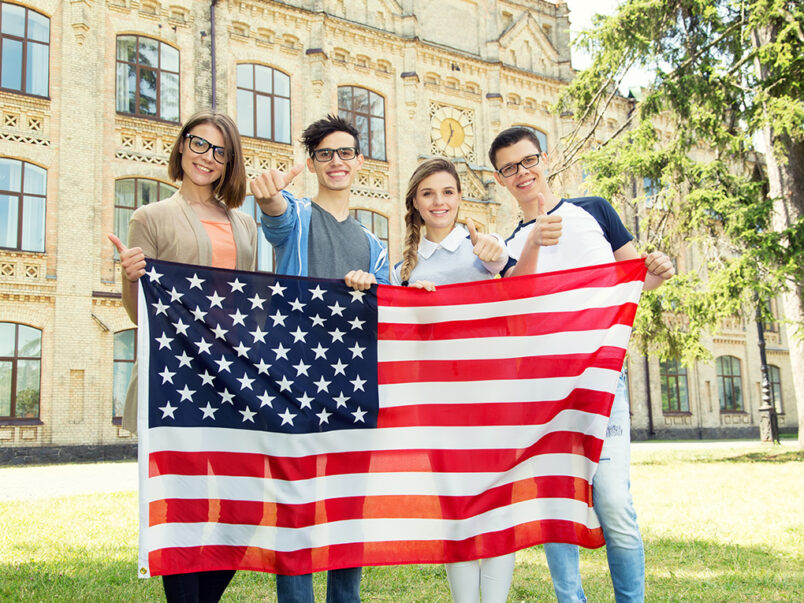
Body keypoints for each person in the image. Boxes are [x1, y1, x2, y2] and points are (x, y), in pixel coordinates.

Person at [488, 127, 675, 603]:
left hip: (602, 384)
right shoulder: (508, 245)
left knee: (614, 504)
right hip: (544, 392)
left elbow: (634, 280)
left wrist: (658, 272)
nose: (522, 172)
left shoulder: (594, 211)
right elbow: (517, 305)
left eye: (528, 160)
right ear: (500, 179)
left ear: (544, 159)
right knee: (557, 509)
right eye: (510, 167)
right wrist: (533, 242)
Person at [108, 109, 257, 603]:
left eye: (219, 150)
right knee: (185, 510)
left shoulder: (245, 225)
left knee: (245, 508)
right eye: (198, 144)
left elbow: (251, 303)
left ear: (229, 161)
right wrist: (132, 277)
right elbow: (139, 315)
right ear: (180, 146)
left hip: (229, 380)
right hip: (176, 381)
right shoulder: (149, 217)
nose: (206, 157)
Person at [250, 114, 390, 602]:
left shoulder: (374, 246)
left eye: (345, 152)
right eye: (326, 153)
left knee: (349, 508)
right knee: (297, 508)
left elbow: (390, 309)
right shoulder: (297, 214)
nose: (337, 161)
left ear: (360, 161)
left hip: (352, 386)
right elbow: (275, 216)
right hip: (296, 383)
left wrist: (378, 288)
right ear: (311, 163)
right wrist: (267, 194)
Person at [391, 158, 513, 603]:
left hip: (490, 395)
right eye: (428, 193)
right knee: (456, 508)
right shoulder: (401, 264)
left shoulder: (484, 245)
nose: (439, 201)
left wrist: (497, 260)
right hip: (438, 399)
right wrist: (411, 306)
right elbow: (398, 337)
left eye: (447, 192)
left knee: (495, 504)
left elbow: (514, 281)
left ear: (460, 198)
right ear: (415, 204)